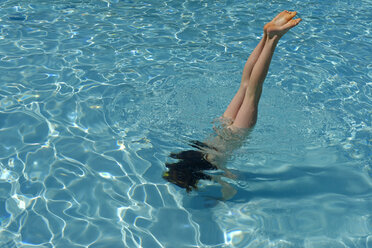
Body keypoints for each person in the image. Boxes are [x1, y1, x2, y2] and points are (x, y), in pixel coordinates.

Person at [163, 11, 302, 198]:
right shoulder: (193, 154)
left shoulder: (213, 167)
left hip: (236, 134)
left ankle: (273, 39)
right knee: (244, 85)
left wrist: (225, 189)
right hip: (220, 125)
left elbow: (230, 188)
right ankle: (265, 35)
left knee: (254, 89)